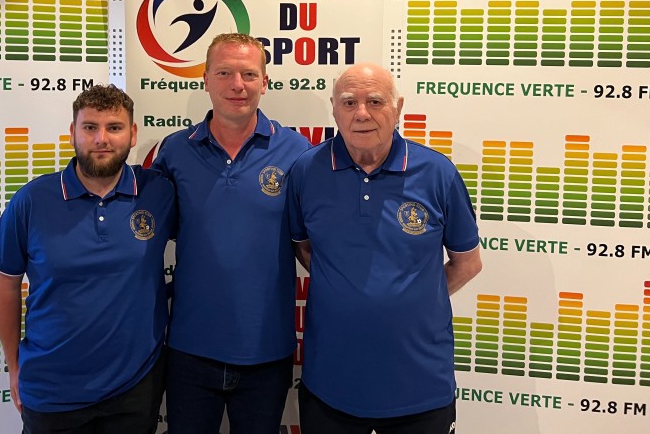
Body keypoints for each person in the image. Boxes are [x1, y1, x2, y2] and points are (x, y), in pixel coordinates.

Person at [286, 63, 482, 434]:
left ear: (398, 107)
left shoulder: (437, 173)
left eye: (375, 101)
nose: (362, 113)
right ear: (334, 109)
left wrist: (412, 297)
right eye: (349, 102)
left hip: (421, 386)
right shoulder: (306, 171)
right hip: (331, 383)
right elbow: (305, 249)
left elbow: (467, 263)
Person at [0, 84, 175, 434]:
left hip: (135, 390)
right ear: (73, 132)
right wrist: (14, 367)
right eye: (90, 127)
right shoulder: (32, 200)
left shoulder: (158, 192)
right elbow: (7, 286)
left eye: (114, 127)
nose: (101, 139)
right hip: (52, 391)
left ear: (133, 134)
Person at [150, 32, 311, 434]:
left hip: (267, 349)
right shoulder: (174, 151)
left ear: (265, 82)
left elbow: (314, 239)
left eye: (249, 74)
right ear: (205, 79)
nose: (237, 85)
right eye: (224, 73)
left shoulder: (298, 151)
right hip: (190, 347)